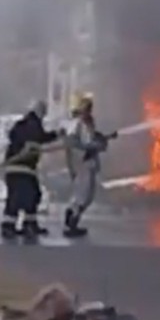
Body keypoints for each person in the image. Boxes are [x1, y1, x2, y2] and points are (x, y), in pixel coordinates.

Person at [0, 100, 57, 240]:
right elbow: (38, 138)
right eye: (43, 112)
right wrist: (55, 135)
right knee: (20, 197)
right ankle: (9, 226)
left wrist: (54, 135)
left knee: (33, 194)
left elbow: (38, 138)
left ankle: (29, 224)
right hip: (21, 167)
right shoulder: (32, 125)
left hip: (20, 168)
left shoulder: (24, 125)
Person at [62, 93, 114, 238]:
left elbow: (92, 138)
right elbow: (74, 143)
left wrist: (102, 139)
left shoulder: (88, 124)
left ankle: (72, 219)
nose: (90, 110)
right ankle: (71, 222)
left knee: (87, 196)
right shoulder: (76, 123)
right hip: (82, 163)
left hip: (88, 163)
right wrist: (93, 146)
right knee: (82, 195)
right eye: (87, 107)